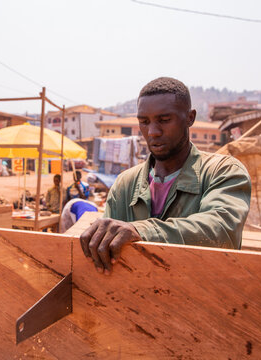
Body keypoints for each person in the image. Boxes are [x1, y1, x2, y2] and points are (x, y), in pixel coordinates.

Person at [80, 77, 251, 275]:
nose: (152, 132)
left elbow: (221, 230)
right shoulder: (125, 184)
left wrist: (142, 231)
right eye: (144, 122)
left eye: (164, 120)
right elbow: (108, 253)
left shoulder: (223, 171)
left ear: (190, 118)